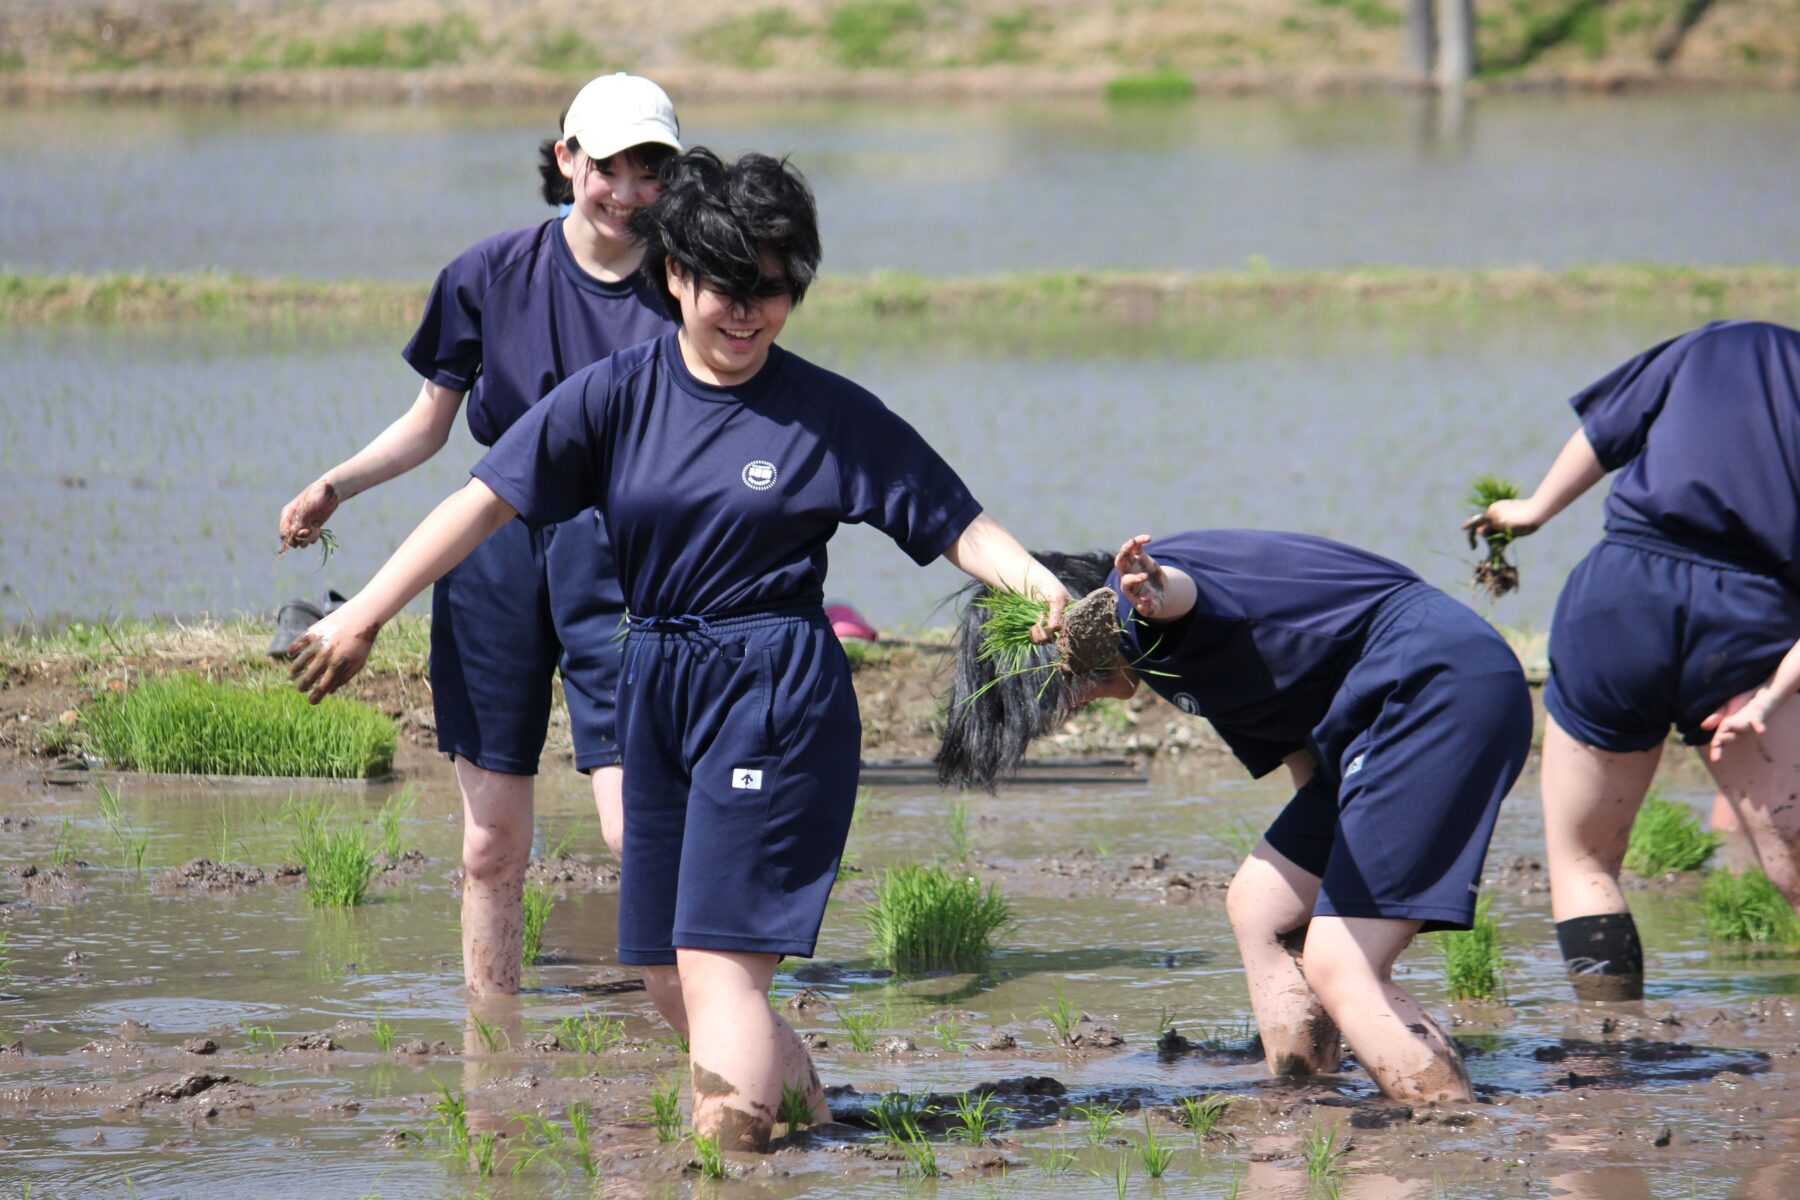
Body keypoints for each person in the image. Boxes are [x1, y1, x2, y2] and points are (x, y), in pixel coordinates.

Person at [285, 148, 1070, 1150]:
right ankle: (813, 1120)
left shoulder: (826, 413)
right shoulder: (614, 394)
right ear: (675, 278)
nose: (746, 314)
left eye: (772, 292)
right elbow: (481, 501)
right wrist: (363, 615)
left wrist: (1046, 591)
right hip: (651, 681)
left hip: (771, 690)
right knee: (666, 971)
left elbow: (955, 522)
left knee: (719, 967)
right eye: (724, 289)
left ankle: (728, 1156)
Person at [275, 74, 683, 995]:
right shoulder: (489, 274)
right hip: (493, 546)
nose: (624, 189)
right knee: (492, 839)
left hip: (625, 556)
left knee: (634, 825)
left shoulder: (685, 285)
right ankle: (488, 1044)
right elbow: (430, 425)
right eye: (605, 164)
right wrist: (336, 483)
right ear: (566, 157)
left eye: (648, 169)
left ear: (672, 174)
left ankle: (697, 1020)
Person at [939, 530, 1532, 1103]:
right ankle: (1304, 1089)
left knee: (1342, 962)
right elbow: (1309, 763)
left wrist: (1152, 590)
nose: (1070, 704)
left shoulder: (1136, 605)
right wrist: (1333, 888)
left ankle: (1448, 1119)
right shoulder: (1181, 670)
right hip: (1391, 709)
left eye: (1057, 690)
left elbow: (1180, 596)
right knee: (1262, 906)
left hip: (1434, 688)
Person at [1465, 320, 1800, 1001]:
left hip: (1620, 600)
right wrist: (1767, 698)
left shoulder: (1707, 344)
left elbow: (1604, 436)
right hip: (1752, 618)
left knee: (1583, 858)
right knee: (1793, 859)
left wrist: (1531, 512)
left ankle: (1606, 1047)